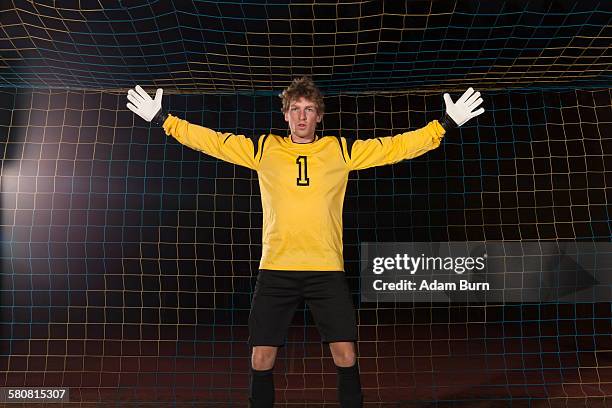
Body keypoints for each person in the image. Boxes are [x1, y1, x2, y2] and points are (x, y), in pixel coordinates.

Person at [127, 77, 484, 407]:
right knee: (261, 357)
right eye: (295, 109)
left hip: (325, 269)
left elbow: (393, 147)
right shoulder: (264, 149)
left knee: (346, 354)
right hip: (276, 270)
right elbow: (214, 142)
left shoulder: (339, 151)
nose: (301, 116)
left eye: (308, 109)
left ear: (319, 116)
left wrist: (444, 125)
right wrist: (164, 120)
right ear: (285, 115)